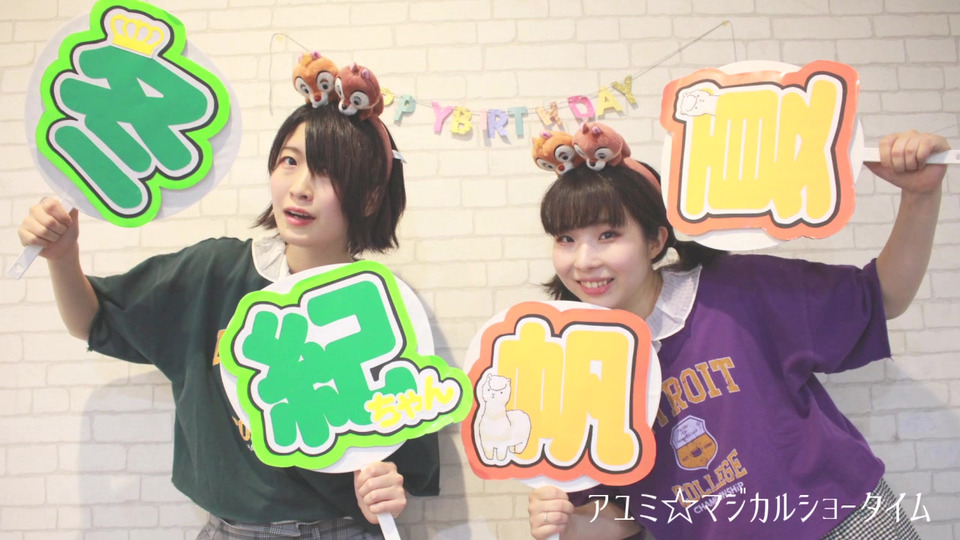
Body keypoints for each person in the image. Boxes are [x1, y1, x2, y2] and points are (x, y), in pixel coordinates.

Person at [17, 102, 439, 539]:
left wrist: (386, 489)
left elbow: (405, 461)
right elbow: (92, 321)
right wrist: (62, 257)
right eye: (289, 161)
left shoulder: (385, 310)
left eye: (328, 171)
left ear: (369, 196)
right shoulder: (214, 273)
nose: (300, 188)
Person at [526, 129, 949, 540]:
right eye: (566, 239)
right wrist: (569, 525)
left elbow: (882, 298)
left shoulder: (736, 290)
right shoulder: (573, 368)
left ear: (655, 240)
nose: (584, 261)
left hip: (846, 525)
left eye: (608, 235)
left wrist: (920, 196)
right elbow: (627, 513)